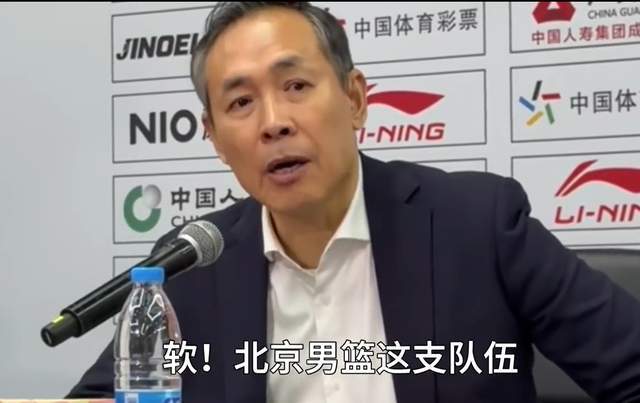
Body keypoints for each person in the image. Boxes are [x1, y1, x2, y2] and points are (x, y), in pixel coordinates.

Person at [67, 2, 640, 402]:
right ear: (215, 139)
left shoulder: (478, 224)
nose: (273, 123)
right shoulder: (191, 266)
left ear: (355, 99)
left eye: (296, 86)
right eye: (240, 103)